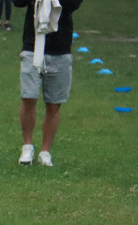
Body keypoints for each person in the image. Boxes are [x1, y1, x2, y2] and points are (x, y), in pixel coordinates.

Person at [14, 0, 83, 167]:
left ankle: (45, 151)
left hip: (61, 49)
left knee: (53, 104)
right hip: (33, 45)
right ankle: (27, 146)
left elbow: (73, 4)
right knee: (28, 97)